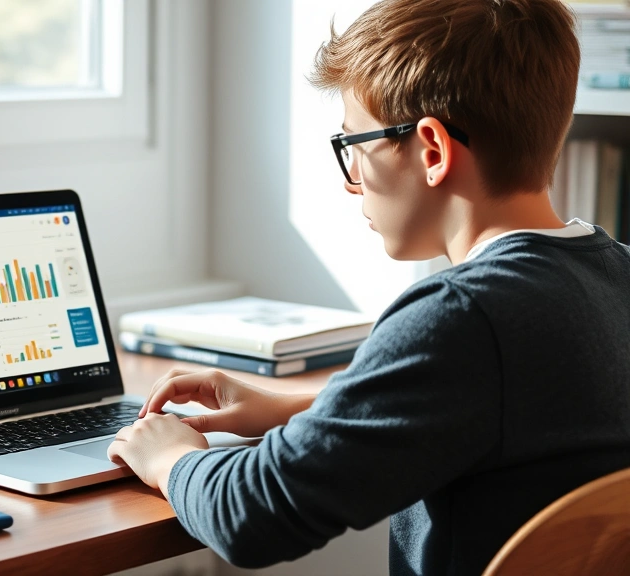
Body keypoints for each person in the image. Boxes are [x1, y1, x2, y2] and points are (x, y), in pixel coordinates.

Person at [106, 1, 630, 574]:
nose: (354, 183)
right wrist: (299, 411)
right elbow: (512, 411)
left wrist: (169, 459)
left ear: (432, 150)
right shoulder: (614, 276)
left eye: (354, 145)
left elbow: (252, 515)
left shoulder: (461, 315)